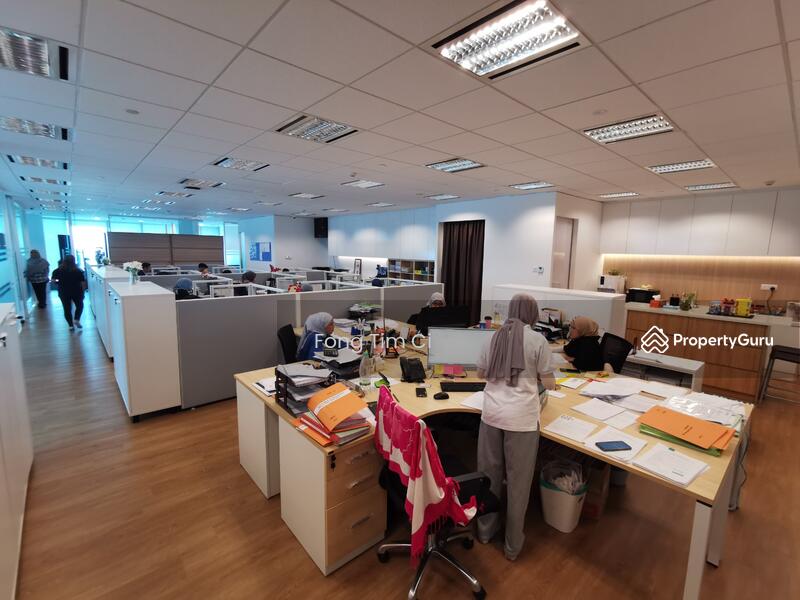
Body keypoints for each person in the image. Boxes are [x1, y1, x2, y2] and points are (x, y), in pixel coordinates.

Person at [475, 293, 556, 561]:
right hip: (521, 420)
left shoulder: (492, 337)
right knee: (518, 483)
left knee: (488, 476)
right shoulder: (538, 340)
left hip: (491, 415)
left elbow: (481, 373)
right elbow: (549, 381)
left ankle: (485, 532)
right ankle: (512, 546)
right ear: (532, 314)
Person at [51, 255, 86, 330]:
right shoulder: (78, 271)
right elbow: (82, 282)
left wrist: (58, 281)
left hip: (63, 291)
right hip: (77, 291)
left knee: (67, 308)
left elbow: (53, 280)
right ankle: (76, 319)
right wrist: (83, 291)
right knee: (80, 305)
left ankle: (70, 325)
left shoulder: (57, 271)